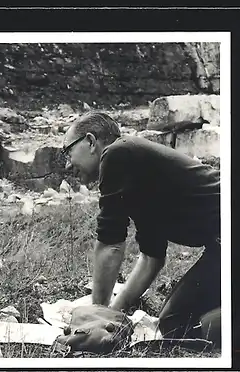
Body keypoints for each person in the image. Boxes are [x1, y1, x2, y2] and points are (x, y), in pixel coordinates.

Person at [59, 111, 222, 347]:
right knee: (175, 325)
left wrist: (96, 316)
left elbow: (110, 243)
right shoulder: (137, 173)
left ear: (91, 141)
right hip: (222, 244)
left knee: (183, 326)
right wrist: (114, 315)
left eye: (68, 151)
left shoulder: (116, 153)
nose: (67, 164)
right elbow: (151, 257)